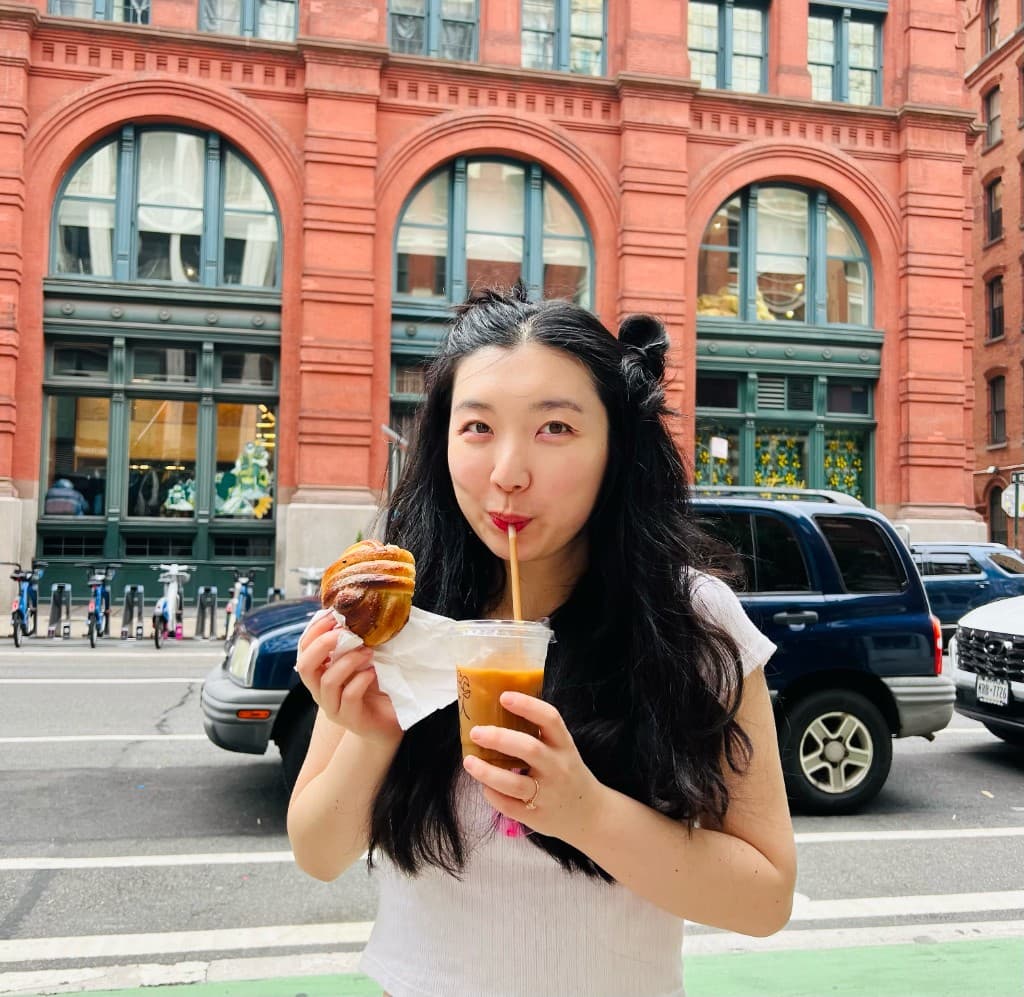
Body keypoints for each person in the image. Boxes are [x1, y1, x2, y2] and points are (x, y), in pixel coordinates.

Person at [288, 283, 797, 997]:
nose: (507, 473)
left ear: (616, 447)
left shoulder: (692, 621)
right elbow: (316, 849)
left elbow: (765, 896)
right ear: (442, 441)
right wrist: (371, 736)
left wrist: (583, 812)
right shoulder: (404, 609)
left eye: (554, 428)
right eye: (477, 428)